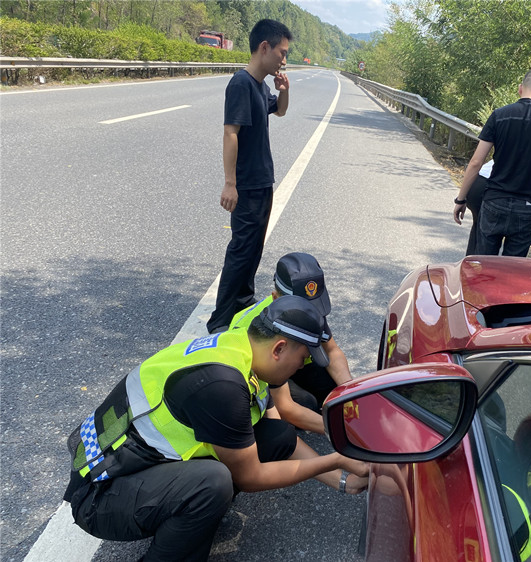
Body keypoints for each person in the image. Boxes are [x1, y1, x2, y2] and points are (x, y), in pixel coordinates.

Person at [63, 295, 368, 561]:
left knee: (275, 435)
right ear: (279, 349)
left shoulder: (239, 346)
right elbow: (250, 478)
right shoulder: (223, 385)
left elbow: (279, 433)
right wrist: (338, 458)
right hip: (99, 494)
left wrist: (342, 481)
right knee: (212, 483)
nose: (301, 369)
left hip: (130, 466)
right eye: (301, 360)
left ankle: (191, 518)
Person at [207, 19, 293, 334]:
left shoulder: (260, 85)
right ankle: (219, 321)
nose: (284, 59)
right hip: (246, 184)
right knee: (241, 249)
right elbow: (231, 132)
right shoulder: (241, 84)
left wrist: (284, 91)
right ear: (264, 47)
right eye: (281, 52)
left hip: (262, 182)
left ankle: (243, 305)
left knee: (253, 248)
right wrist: (230, 183)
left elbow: (280, 111)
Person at [227, 252, 352, 435]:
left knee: (336, 390)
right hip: (263, 373)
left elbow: (332, 352)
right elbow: (286, 407)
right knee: (305, 404)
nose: (313, 313)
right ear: (276, 298)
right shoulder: (258, 327)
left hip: (289, 359)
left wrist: (351, 392)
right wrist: (346, 433)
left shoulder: (308, 308)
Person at [453, 68, 531, 257]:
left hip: (494, 202)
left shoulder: (500, 115)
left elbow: (476, 162)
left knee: (484, 264)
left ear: (520, 88)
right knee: (512, 272)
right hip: (530, 208)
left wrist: (461, 199)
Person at [465, 161, 493, 255]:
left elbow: (475, 163)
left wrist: (461, 198)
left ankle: (469, 265)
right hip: (493, 186)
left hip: (478, 181)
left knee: (478, 228)